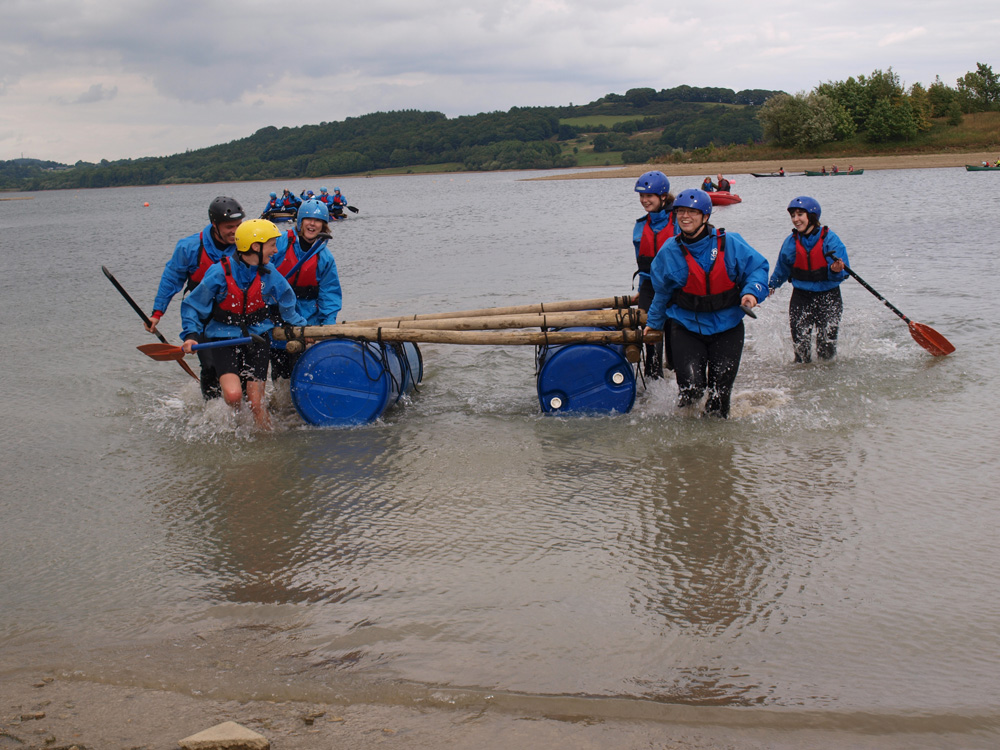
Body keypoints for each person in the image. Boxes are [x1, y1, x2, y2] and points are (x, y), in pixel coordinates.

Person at [642, 189, 768, 419]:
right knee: (691, 390)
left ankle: (714, 451)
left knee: (720, 397)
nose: (685, 217)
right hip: (686, 327)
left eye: (692, 212)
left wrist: (751, 294)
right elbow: (661, 292)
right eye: (680, 211)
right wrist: (654, 323)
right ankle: (687, 441)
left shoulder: (730, 243)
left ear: (706, 216)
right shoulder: (669, 251)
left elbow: (758, 269)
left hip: (728, 327)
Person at [179, 219, 307, 430]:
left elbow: (287, 302)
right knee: (233, 396)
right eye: (272, 245)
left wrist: (303, 330)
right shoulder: (219, 272)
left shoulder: (269, 272)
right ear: (255, 247)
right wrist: (190, 335)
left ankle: (266, 441)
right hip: (223, 338)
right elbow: (193, 306)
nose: (276, 250)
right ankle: (237, 430)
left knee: (257, 403)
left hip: (257, 338)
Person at [147, 196, 245, 399]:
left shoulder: (245, 244)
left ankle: (239, 405)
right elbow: (171, 280)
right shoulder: (189, 247)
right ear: (214, 225)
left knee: (240, 367)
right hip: (203, 316)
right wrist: (157, 313)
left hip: (234, 313)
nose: (235, 231)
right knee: (210, 365)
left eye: (238, 225)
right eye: (229, 227)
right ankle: (211, 411)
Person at [269, 200, 343, 382]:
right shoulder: (279, 243)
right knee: (281, 373)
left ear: (323, 225)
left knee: (305, 370)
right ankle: (282, 403)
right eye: (308, 219)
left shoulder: (325, 257)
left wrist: (327, 325)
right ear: (300, 221)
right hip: (277, 316)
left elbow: (329, 293)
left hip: (309, 318)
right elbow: (262, 273)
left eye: (317, 221)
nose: (312, 224)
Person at [768, 196, 848, 363]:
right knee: (801, 353)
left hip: (829, 297)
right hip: (801, 298)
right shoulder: (790, 243)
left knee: (826, 352)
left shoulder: (830, 239)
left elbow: (842, 273)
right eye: (793, 216)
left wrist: (835, 270)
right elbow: (781, 270)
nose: (795, 219)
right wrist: (770, 287)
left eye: (800, 215)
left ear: (811, 216)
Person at [631, 170, 678, 380]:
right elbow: (641, 264)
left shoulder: (679, 221)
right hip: (650, 287)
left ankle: (677, 377)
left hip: (676, 288)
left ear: (662, 197)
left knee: (676, 339)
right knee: (651, 341)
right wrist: (641, 291)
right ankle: (653, 385)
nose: (644, 200)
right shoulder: (640, 226)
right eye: (641, 196)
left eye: (648, 196)